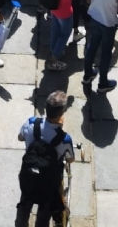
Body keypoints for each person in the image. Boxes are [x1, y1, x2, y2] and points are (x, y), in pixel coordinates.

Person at [15, 90, 75, 227]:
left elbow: (20, 137)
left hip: (28, 177)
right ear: (61, 115)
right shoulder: (64, 139)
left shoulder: (31, 123)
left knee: (25, 201)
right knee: (44, 214)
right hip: (49, 184)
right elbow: (70, 159)